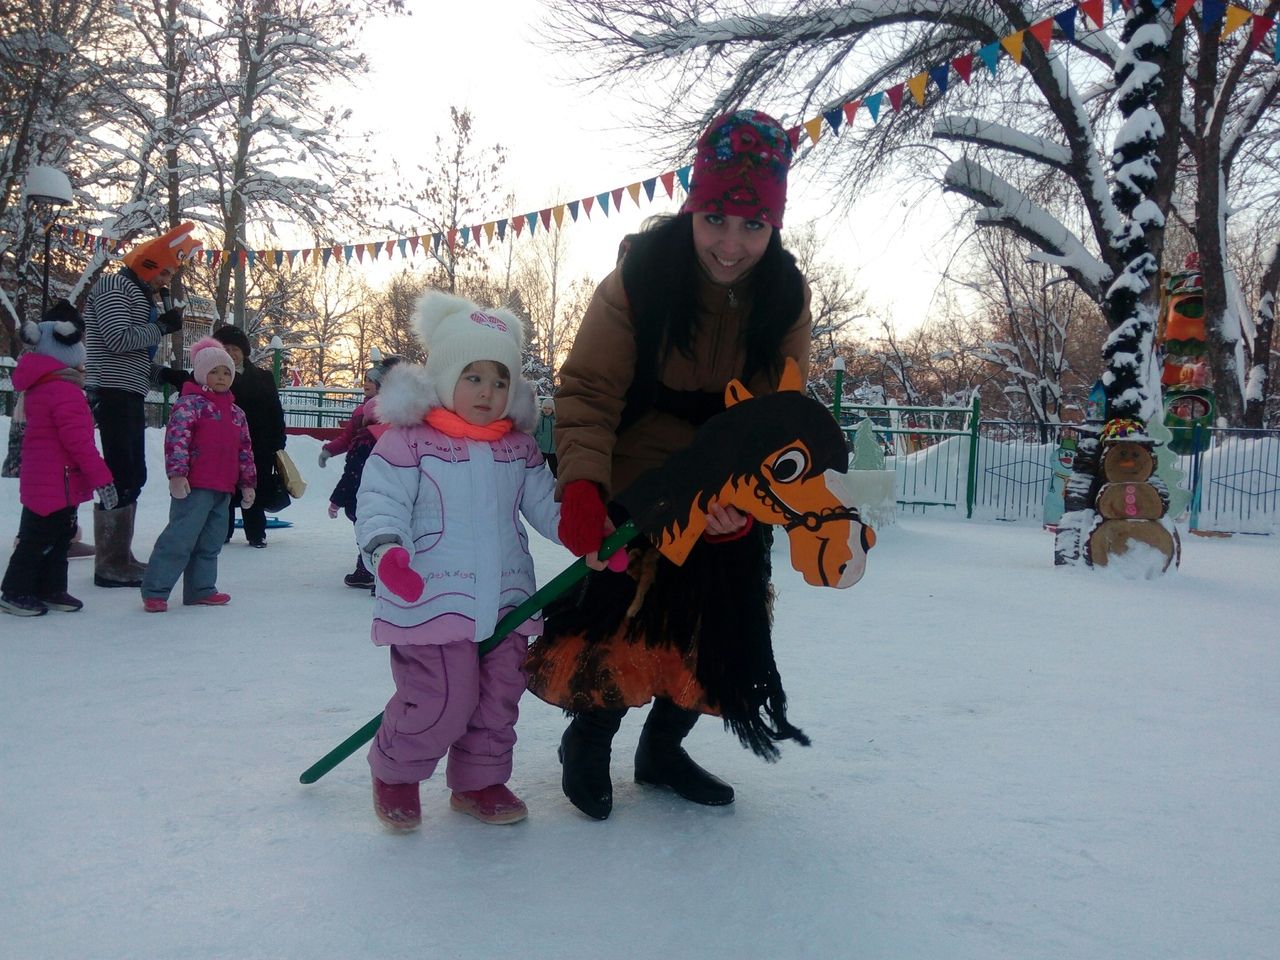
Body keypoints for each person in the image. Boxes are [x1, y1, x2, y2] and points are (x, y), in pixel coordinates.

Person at [528, 110, 813, 820]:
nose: (730, 244)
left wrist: (741, 501)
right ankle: (590, 737)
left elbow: (778, 416)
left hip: (727, 478)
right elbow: (589, 390)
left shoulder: (785, 296)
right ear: (693, 208)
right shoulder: (641, 277)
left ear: (773, 226)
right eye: (715, 219)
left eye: (752, 225)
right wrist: (583, 485)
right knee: (619, 619)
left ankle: (662, 749)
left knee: (713, 621)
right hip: (637, 471)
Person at [355, 291, 559, 831]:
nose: (488, 392)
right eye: (473, 377)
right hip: (431, 598)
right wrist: (388, 552)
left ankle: (478, 782)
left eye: (500, 381)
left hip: (508, 598)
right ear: (446, 378)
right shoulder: (409, 442)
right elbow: (381, 502)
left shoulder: (517, 447)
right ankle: (396, 773)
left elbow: (547, 506)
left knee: (498, 699)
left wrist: (587, 533)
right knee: (441, 699)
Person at [84, 222, 201, 588]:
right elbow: (117, 340)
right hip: (112, 391)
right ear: (147, 263)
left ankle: (119, 555)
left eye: (170, 274)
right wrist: (161, 328)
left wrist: (164, 374)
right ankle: (110, 563)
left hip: (128, 389)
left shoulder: (137, 293)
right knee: (122, 473)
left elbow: (130, 356)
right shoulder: (116, 286)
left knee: (133, 474)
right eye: (164, 272)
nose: (165, 281)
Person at [1, 302, 116, 616]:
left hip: (53, 479)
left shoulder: (43, 388)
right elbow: (78, 443)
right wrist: (103, 480)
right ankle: (15, 590)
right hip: (55, 480)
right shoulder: (63, 392)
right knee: (39, 538)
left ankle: (51, 588)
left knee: (57, 536)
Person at [139, 338, 255, 612]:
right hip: (195, 486)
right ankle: (156, 590)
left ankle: (200, 589)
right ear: (202, 374)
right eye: (214, 371)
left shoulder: (236, 413)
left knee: (211, 542)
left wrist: (248, 483)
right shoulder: (190, 404)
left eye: (226, 372)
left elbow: (245, 449)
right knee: (179, 539)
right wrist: (177, 475)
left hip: (223, 487)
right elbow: (177, 440)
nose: (221, 377)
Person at [319, 356, 401, 588]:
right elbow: (347, 438)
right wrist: (329, 449)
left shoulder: (396, 416)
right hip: (387, 491)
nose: (366, 384)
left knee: (369, 528)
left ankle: (370, 571)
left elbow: (353, 471)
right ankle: (377, 570)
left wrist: (338, 499)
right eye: (365, 379)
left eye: (371, 381)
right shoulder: (362, 412)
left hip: (367, 491)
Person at [210, 325, 287, 548]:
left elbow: (275, 411)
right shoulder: (214, 377)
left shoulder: (263, 377)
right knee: (224, 488)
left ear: (243, 351)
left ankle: (256, 533)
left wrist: (278, 441)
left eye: (235, 349)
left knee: (255, 487)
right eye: (225, 349)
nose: (231, 353)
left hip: (258, 444)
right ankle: (222, 532)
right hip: (224, 443)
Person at [533, 397, 557, 476]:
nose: (546, 410)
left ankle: (557, 482)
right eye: (545, 408)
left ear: (552, 409)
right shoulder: (538, 418)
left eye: (549, 408)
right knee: (538, 469)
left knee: (555, 470)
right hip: (541, 449)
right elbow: (533, 432)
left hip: (553, 450)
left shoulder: (556, 420)